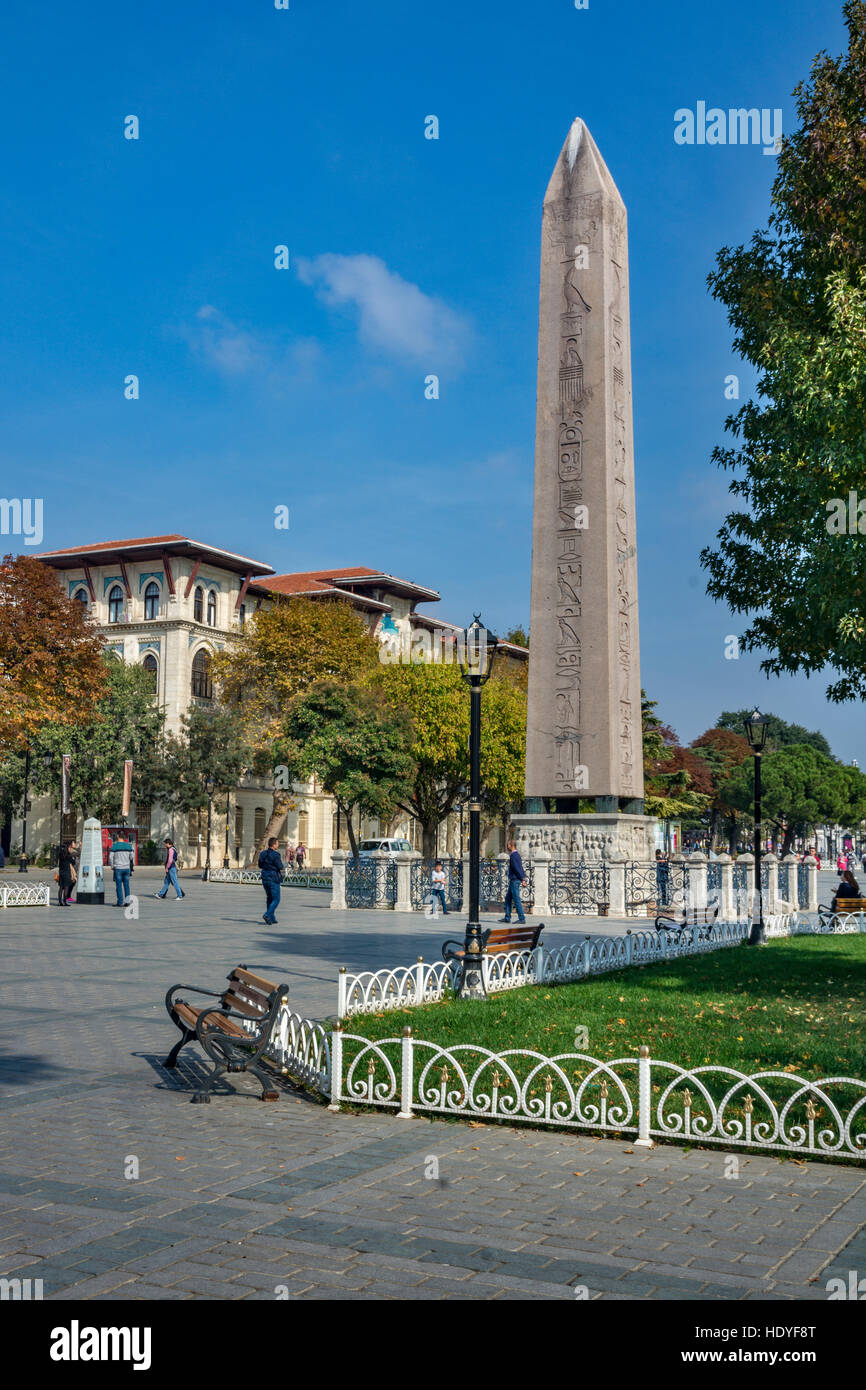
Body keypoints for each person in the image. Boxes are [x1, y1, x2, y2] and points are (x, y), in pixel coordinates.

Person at [500, 839, 526, 925]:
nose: (507, 846)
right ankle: (507, 917)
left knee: (516, 899)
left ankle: (522, 918)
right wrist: (523, 878)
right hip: (514, 880)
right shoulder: (516, 855)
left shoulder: (513, 856)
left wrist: (522, 879)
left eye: (508, 845)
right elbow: (520, 867)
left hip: (515, 880)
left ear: (512, 845)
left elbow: (517, 868)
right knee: (508, 899)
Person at [259, 836, 284, 925]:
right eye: (277, 843)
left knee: (269, 897)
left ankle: (272, 918)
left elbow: (260, 865)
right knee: (276, 899)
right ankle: (267, 914)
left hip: (265, 877)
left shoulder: (262, 853)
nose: (278, 845)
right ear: (274, 845)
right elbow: (280, 866)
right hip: (273, 878)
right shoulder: (276, 855)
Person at [108, 834, 135, 907]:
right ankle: (127, 902)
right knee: (126, 885)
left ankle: (120, 902)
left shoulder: (115, 846)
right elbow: (132, 856)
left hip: (118, 868)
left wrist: (112, 866)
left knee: (118, 886)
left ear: (117, 836)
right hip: (126, 868)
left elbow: (110, 857)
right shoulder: (128, 846)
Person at [57, 839, 78, 906]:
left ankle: (60, 902)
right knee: (66, 887)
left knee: (61, 887)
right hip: (67, 872)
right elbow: (73, 862)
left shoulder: (61, 854)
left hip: (61, 871)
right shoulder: (68, 855)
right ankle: (65, 902)